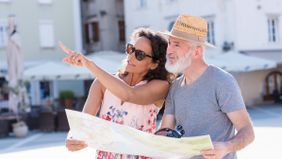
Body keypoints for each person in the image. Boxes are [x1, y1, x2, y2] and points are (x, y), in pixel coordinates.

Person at [60, 28, 174, 158]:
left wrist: (89, 65)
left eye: (139, 55)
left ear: (154, 64)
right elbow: (83, 124)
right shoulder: (101, 83)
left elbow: (129, 95)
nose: (130, 56)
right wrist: (73, 137)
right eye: (131, 49)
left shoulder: (161, 86)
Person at [160, 14, 255, 159]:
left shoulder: (222, 81)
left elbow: (247, 131)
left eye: (177, 44)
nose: (169, 50)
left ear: (197, 51)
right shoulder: (175, 88)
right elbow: (164, 133)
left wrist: (226, 147)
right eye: (170, 43)